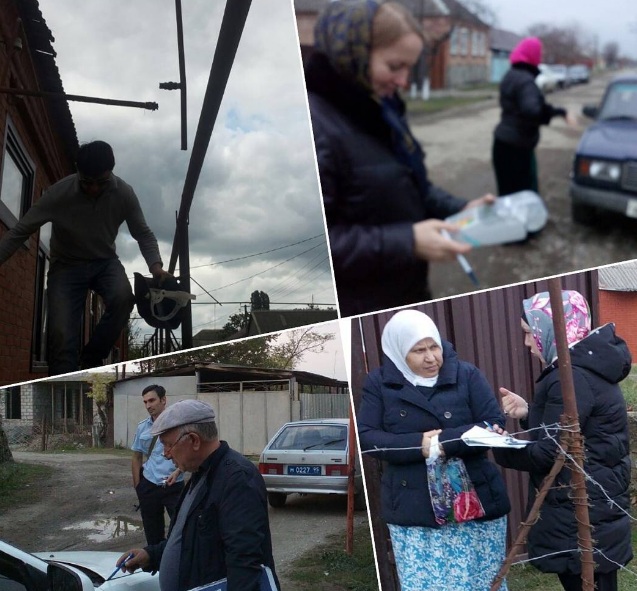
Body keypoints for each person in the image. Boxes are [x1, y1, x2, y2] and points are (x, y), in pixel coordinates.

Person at [305, 0, 495, 317]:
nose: (404, 81)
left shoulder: (381, 108)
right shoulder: (315, 125)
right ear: (354, 53)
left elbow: (410, 184)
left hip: (403, 289)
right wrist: (406, 242)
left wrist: (460, 209)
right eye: (395, 67)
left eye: (410, 68)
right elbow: (316, 247)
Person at [356, 309, 511, 591]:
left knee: (481, 580)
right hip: (415, 505)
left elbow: (493, 423)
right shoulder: (380, 384)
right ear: (399, 351)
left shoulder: (466, 374)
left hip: (474, 501)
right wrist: (419, 445)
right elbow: (367, 437)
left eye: (434, 347)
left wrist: (440, 443)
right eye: (418, 350)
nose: (431, 358)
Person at [493, 290, 632, 591]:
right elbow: (576, 432)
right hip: (594, 510)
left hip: (581, 514)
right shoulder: (584, 369)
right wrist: (529, 412)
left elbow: (550, 453)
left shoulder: (570, 378)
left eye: (530, 333)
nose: (527, 343)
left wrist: (496, 446)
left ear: (552, 328)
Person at [0, 140, 171, 375]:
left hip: (104, 262)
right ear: (77, 171)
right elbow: (20, 231)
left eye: (100, 183)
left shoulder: (124, 194)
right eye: (86, 182)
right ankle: (64, 381)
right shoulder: (58, 193)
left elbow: (143, 234)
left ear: (110, 173)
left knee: (123, 298)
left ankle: (91, 358)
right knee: (60, 333)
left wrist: (156, 266)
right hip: (66, 266)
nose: (92, 189)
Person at [118, 399, 280, 591]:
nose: (166, 454)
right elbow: (192, 542)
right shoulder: (200, 473)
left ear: (194, 440)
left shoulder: (237, 480)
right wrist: (151, 555)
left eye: (168, 445)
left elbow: (245, 566)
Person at [492, 37, 575, 196]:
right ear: (532, 55)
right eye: (539, 54)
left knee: (506, 194)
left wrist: (559, 111)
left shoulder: (510, 75)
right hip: (517, 149)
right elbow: (533, 110)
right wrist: (556, 113)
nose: (541, 57)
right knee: (524, 197)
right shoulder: (526, 80)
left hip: (501, 144)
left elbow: (524, 106)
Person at [132, 384, 185, 545]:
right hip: (149, 485)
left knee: (181, 532)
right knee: (153, 535)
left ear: (163, 400)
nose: (148, 405)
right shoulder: (143, 427)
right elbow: (136, 457)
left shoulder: (179, 425)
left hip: (174, 486)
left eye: (152, 400)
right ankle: (156, 566)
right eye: (145, 402)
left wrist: (179, 471)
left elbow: (190, 454)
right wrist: (139, 487)